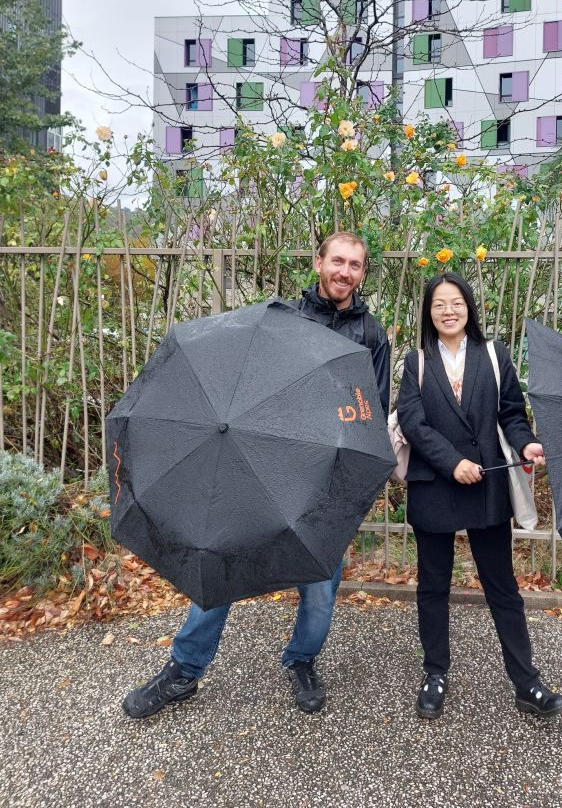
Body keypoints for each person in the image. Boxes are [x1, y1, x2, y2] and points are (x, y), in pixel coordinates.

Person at [122, 232, 390, 720]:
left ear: (363, 273)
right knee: (220, 562)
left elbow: (373, 410)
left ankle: (302, 661)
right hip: (260, 464)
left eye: (354, 264)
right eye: (337, 261)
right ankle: (184, 669)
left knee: (320, 587)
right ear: (318, 262)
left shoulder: (371, 335)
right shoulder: (282, 319)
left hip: (324, 480)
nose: (344, 271)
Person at [396, 272, 562, 720]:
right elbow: (414, 424)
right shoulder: (415, 362)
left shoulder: (494, 355)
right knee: (433, 586)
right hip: (436, 483)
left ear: (469, 307)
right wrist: (452, 462)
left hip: (487, 483)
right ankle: (434, 673)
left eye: (456, 302)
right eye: (439, 304)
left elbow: (511, 412)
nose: (448, 311)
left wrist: (527, 441)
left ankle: (526, 682)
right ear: (428, 313)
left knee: (502, 588)